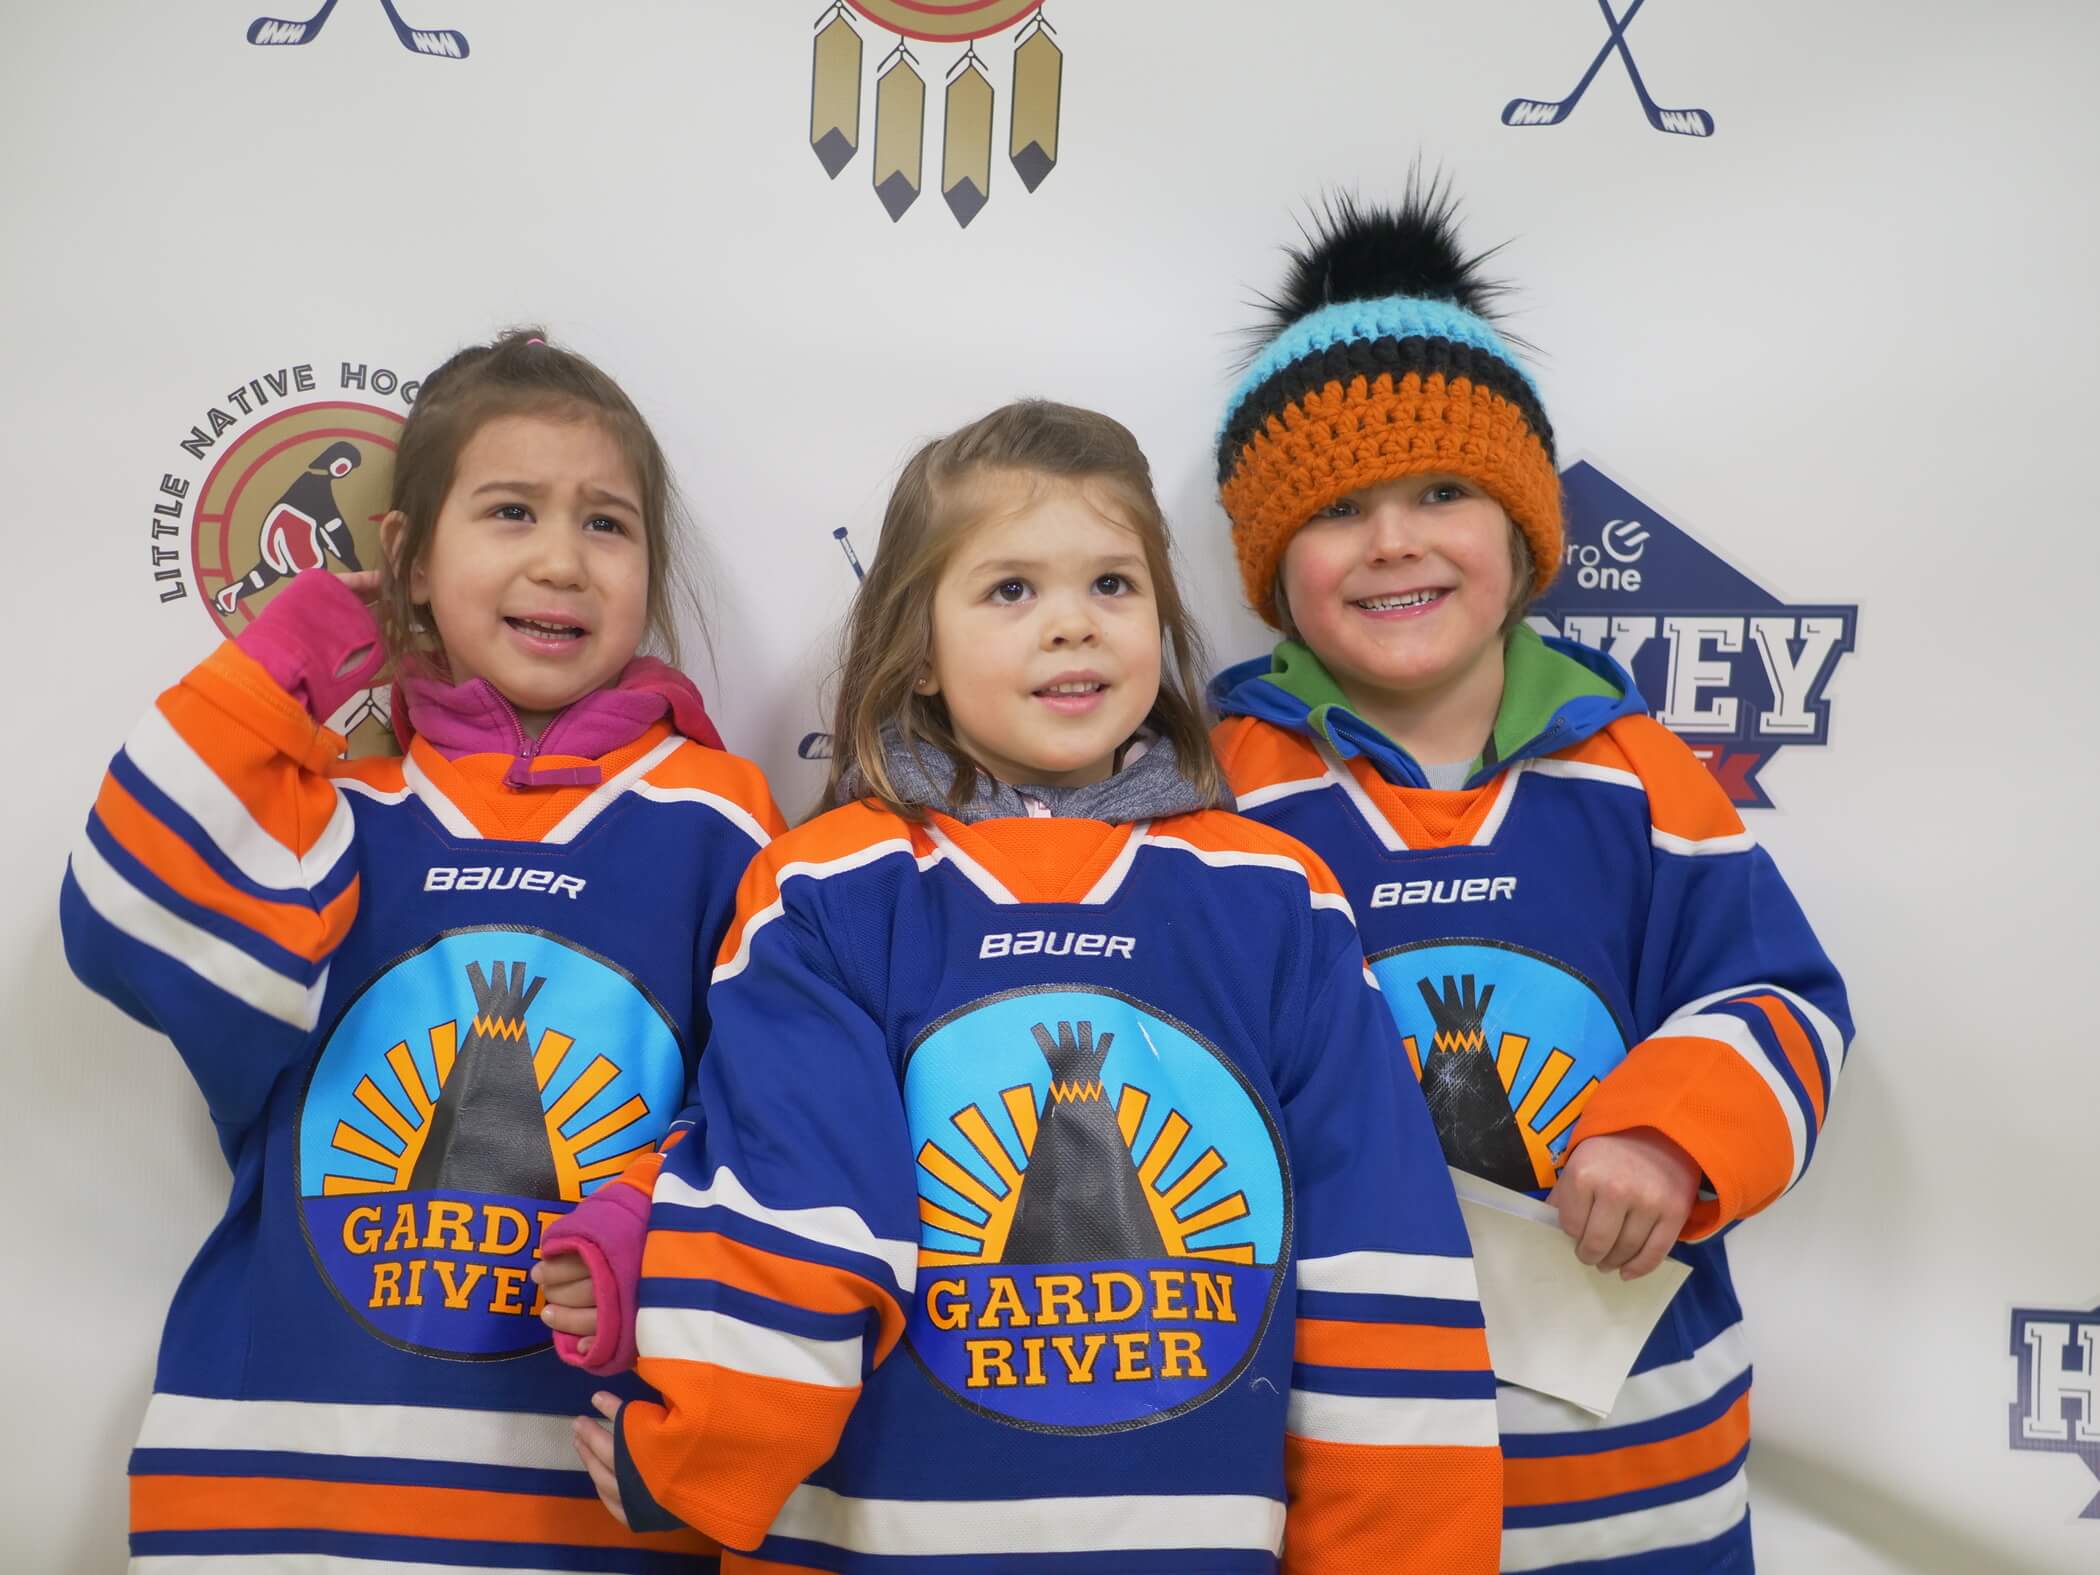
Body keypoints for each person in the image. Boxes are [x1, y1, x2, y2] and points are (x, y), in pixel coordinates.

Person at [537, 399, 1502, 1572]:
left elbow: (1381, 1256)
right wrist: (700, 1452)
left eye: (1112, 585)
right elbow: (797, 1202)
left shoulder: (1276, 899)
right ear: (920, 654)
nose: (1071, 628)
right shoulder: (830, 887)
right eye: (1010, 592)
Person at [1208, 180, 1853, 1572]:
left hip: (1638, 1466)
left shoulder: (1634, 774)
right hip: (1337, 1468)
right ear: (1269, 558)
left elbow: (1785, 1000)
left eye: (1443, 489)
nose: (1395, 540)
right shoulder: (1221, 794)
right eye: (1338, 506)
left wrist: (1674, 1134)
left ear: (1521, 523)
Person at [61, 328, 780, 1570]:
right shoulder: (335, 803)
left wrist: (644, 1232)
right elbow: (122, 916)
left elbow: (774, 1132)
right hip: (279, 1488)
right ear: (410, 555)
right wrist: (293, 658)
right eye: (511, 511)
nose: (561, 560)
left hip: (580, 1508)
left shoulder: (720, 816)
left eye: (607, 525)